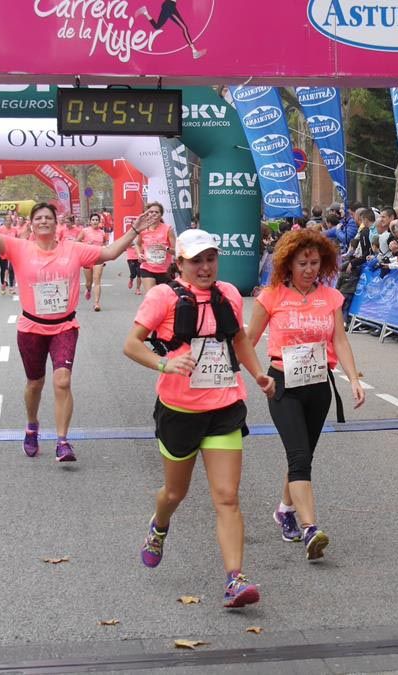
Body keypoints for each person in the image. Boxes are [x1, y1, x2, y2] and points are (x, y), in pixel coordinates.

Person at [124, 228, 274, 607]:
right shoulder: (162, 297)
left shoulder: (228, 295)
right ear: (180, 264)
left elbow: (238, 339)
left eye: (210, 258)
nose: (205, 267)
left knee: (227, 497)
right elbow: (130, 344)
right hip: (179, 411)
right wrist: (166, 364)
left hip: (224, 406)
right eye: (196, 260)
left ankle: (235, 579)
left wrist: (257, 374)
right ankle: (159, 527)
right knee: (175, 492)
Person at [0, 184, 146, 461]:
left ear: (57, 224)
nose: (43, 221)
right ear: (31, 225)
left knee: (63, 381)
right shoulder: (19, 248)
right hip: (31, 327)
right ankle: (32, 426)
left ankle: (63, 441)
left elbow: (111, 252)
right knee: (35, 383)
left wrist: (135, 230)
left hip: (64, 327)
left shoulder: (74, 249)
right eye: (38, 218)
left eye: (48, 218)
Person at [247, 230, 366, 561]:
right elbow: (248, 339)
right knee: (299, 456)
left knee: (303, 456)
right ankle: (310, 528)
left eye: (315, 262)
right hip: (283, 385)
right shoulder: (271, 296)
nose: (310, 269)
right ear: (288, 263)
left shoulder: (329, 297)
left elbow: (339, 340)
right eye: (303, 263)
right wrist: (256, 375)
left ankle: (285, 509)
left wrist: (353, 378)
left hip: (318, 386)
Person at [136, 0, 206, 59]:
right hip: (170, 6)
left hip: (167, 5)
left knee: (157, 26)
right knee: (184, 28)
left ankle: (145, 12)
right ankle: (194, 51)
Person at [135, 202, 178, 294]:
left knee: (163, 298)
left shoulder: (168, 229)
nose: (153, 214)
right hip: (147, 268)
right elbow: (137, 244)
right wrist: (139, 254)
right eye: (151, 212)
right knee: (152, 295)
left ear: (161, 215)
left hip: (165, 270)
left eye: (156, 212)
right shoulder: (143, 229)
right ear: (147, 214)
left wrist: (165, 248)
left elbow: (176, 251)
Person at [77, 213, 109, 312]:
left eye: (96, 220)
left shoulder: (102, 233)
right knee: (89, 282)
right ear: (90, 221)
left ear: (99, 222)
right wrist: (86, 244)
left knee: (97, 281)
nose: (95, 221)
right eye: (93, 220)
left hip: (98, 259)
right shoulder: (85, 231)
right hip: (87, 259)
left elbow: (105, 243)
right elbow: (76, 242)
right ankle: (88, 289)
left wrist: (104, 248)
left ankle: (96, 303)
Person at [0, 216, 18, 295]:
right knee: (4, 269)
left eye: (10, 220)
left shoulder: (14, 229)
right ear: (4, 222)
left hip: (13, 252)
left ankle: (11, 287)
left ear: (12, 221)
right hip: (3, 252)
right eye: (7, 221)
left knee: (11, 269)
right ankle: (3, 285)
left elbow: (17, 239)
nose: (8, 222)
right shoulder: (0, 229)